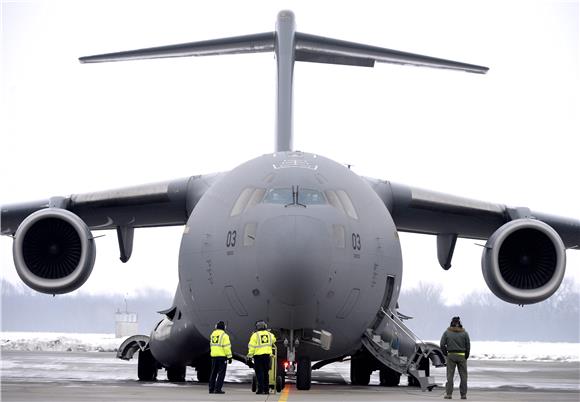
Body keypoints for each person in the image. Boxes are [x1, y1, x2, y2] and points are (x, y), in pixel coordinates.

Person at [440, 316, 470, 400]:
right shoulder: (464, 333)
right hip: (462, 356)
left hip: (451, 355)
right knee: (463, 376)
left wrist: (445, 353)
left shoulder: (447, 332)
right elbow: (468, 345)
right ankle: (463, 395)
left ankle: (449, 394)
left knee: (450, 376)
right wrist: (466, 355)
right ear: (459, 323)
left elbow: (442, 344)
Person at [247, 320, 277, 395]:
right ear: (265, 326)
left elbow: (251, 346)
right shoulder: (269, 334)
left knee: (259, 373)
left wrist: (250, 356)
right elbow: (274, 340)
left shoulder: (255, 335)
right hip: (267, 356)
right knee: (266, 373)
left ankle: (260, 390)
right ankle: (266, 390)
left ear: (257, 327)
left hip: (258, 357)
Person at [208, 321, 232, 394]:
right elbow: (227, 347)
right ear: (224, 327)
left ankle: (211, 389)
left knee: (213, 373)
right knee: (221, 373)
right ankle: (218, 389)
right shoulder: (225, 335)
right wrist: (229, 357)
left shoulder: (212, 335)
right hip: (222, 357)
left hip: (214, 356)